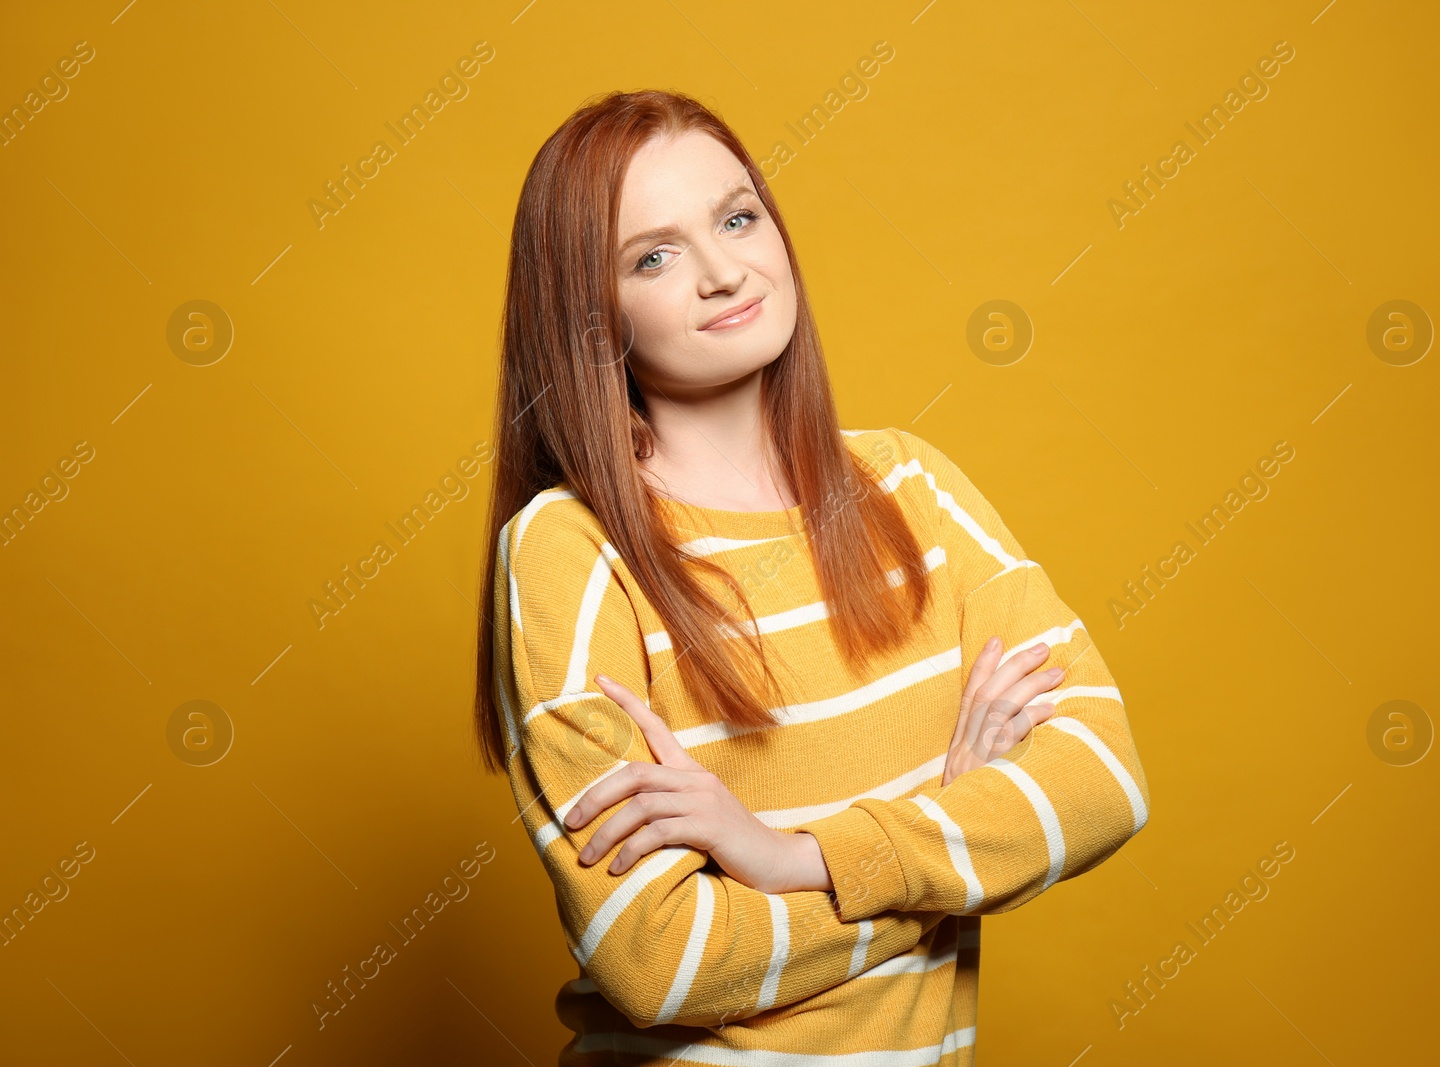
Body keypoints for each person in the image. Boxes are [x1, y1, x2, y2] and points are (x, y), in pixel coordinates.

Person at [471, 88, 1151, 1066]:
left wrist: (792, 856)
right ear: (588, 314)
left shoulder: (911, 484)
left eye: (737, 216)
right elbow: (664, 963)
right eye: (653, 256)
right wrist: (944, 848)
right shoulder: (570, 550)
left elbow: (1104, 779)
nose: (722, 271)